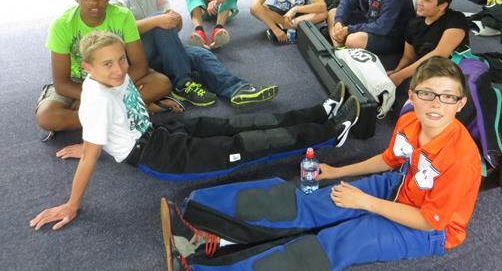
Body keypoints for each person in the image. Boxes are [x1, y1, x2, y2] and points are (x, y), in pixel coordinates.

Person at [159, 56, 482, 271]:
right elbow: (389, 159)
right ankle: (200, 217)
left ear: (461, 103)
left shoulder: (461, 158)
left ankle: (204, 265)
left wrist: (366, 202)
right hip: (400, 183)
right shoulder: (410, 118)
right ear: (411, 95)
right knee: (313, 201)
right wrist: (337, 173)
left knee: (338, 242)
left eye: (447, 97)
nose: (436, 104)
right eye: (427, 94)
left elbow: (427, 220)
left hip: (433, 230)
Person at [29, 31, 361, 231]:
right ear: (87, 67)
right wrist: (73, 201)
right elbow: (91, 147)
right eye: (108, 64)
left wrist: (98, 141)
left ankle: (320, 111)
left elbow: (121, 111)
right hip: (160, 157)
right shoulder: (95, 100)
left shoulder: (113, 76)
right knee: (247, 143)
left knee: (237, 123)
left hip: (159, 131)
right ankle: (330, 133)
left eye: (121, 59)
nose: (119, 69)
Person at [110, 0, 278, 107]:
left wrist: (176, 21)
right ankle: (182, 82)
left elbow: (174, 28)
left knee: (201, 54)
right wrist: (157, 21)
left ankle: (237, 89)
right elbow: (120, 33)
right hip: (137, 57)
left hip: (165, 51)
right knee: (159, 19)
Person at [35, 0, 179, 146]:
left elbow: (140, 65)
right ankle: (128, 110)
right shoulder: (61, 25)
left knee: (161, 83)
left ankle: (100, 115)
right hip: (77, 81)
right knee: (47, 117)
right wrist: (91, 95)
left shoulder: (122, 16)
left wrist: (101, 95)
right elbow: (61, 83)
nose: (94, 2)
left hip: (115, 75)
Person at [387, 0, 469, 88]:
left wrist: (400, 76)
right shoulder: (414, 23)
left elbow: (439, 55)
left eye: (426, 0)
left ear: (442, 6)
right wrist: (396, 72)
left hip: (449, 73)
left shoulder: (456, 20)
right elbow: (409, 57)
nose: (419, 2)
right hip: (424, 70)